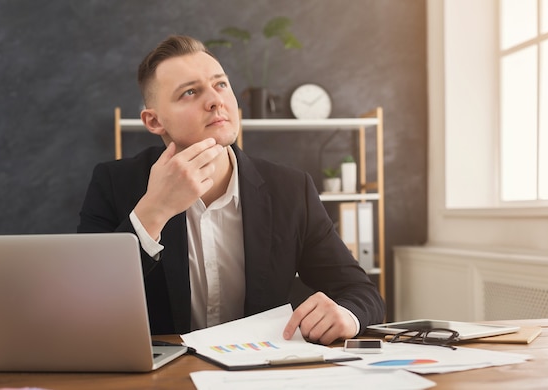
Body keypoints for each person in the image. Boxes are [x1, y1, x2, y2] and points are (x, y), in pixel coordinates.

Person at [78, 35, 385, 345]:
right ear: (154, 121)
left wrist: (347, 314)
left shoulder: (291, 189)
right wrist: (154, 211)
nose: (215, 100)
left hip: (260, 372)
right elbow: (84, 303)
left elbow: (361, 292)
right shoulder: (114, 183)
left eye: (220, 84)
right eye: (190, 92)